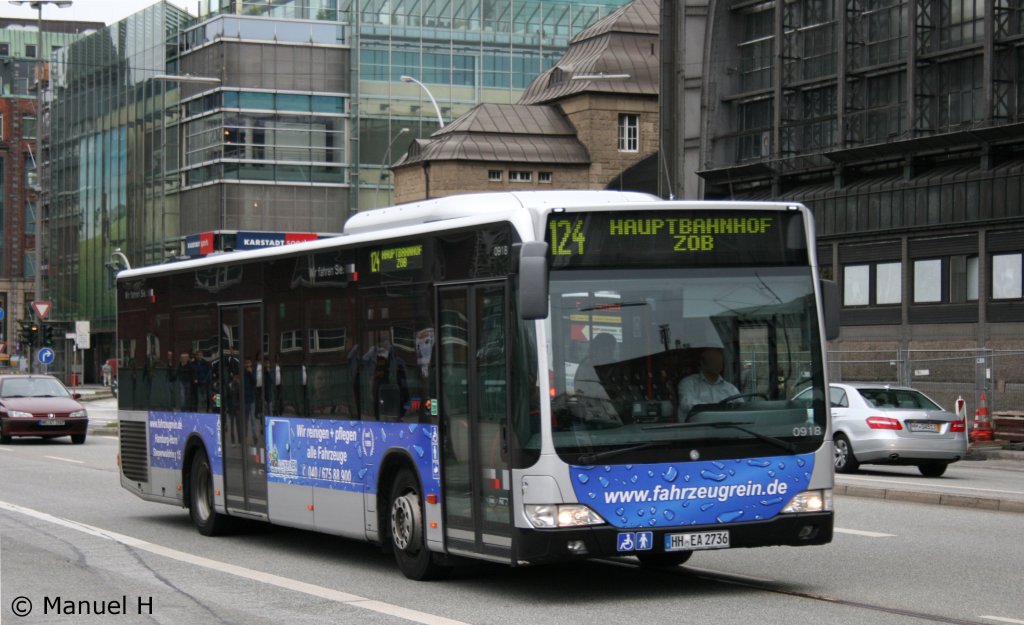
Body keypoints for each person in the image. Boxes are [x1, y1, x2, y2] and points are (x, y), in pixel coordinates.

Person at [677, 347, 741, 419]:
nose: (717, 361)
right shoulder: (688, 383)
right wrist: (719, 408)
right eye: (712, 358)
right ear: (702, 362)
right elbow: (687, 404)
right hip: (696, 428)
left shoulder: (730, 388)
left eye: (719, 358)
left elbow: (742, 409)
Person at [574, 333, 617, 399]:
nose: (605, 352)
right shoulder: (585, 368)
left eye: (608, 348)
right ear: (595, 350)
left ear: (612, 350)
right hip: (590, 407)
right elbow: (579, 391)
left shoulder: (619, 368)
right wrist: (597, 394)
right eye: (602, 348)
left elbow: (625, 391)